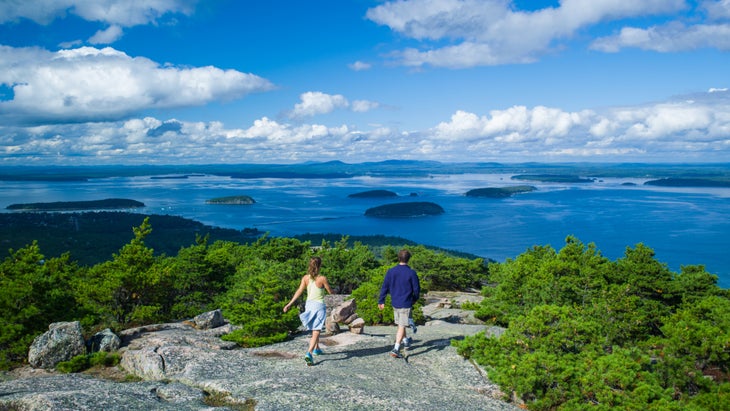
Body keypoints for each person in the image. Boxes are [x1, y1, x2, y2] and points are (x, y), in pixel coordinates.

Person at [283, 256, 333, 365]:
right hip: (319, 305)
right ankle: (309, 353)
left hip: (309, 305)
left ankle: (317, 348)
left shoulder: (305, 278)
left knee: (314, 327)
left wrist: (289, 304)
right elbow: (330, 292)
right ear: (319, 266)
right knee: (317, 329)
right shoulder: (322, 278)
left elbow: (299, 291)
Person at [378, 249, 420, 359]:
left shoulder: (391, 271)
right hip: (405, 303)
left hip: (395, 302)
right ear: (408, 259)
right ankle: (396, 348)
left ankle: (406, 340)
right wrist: (414, 299)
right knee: (402, 325)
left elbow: (385, 287)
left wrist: (381, 300)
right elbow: (416, 289)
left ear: (398, 258)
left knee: (401, 323)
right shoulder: (411, 273)